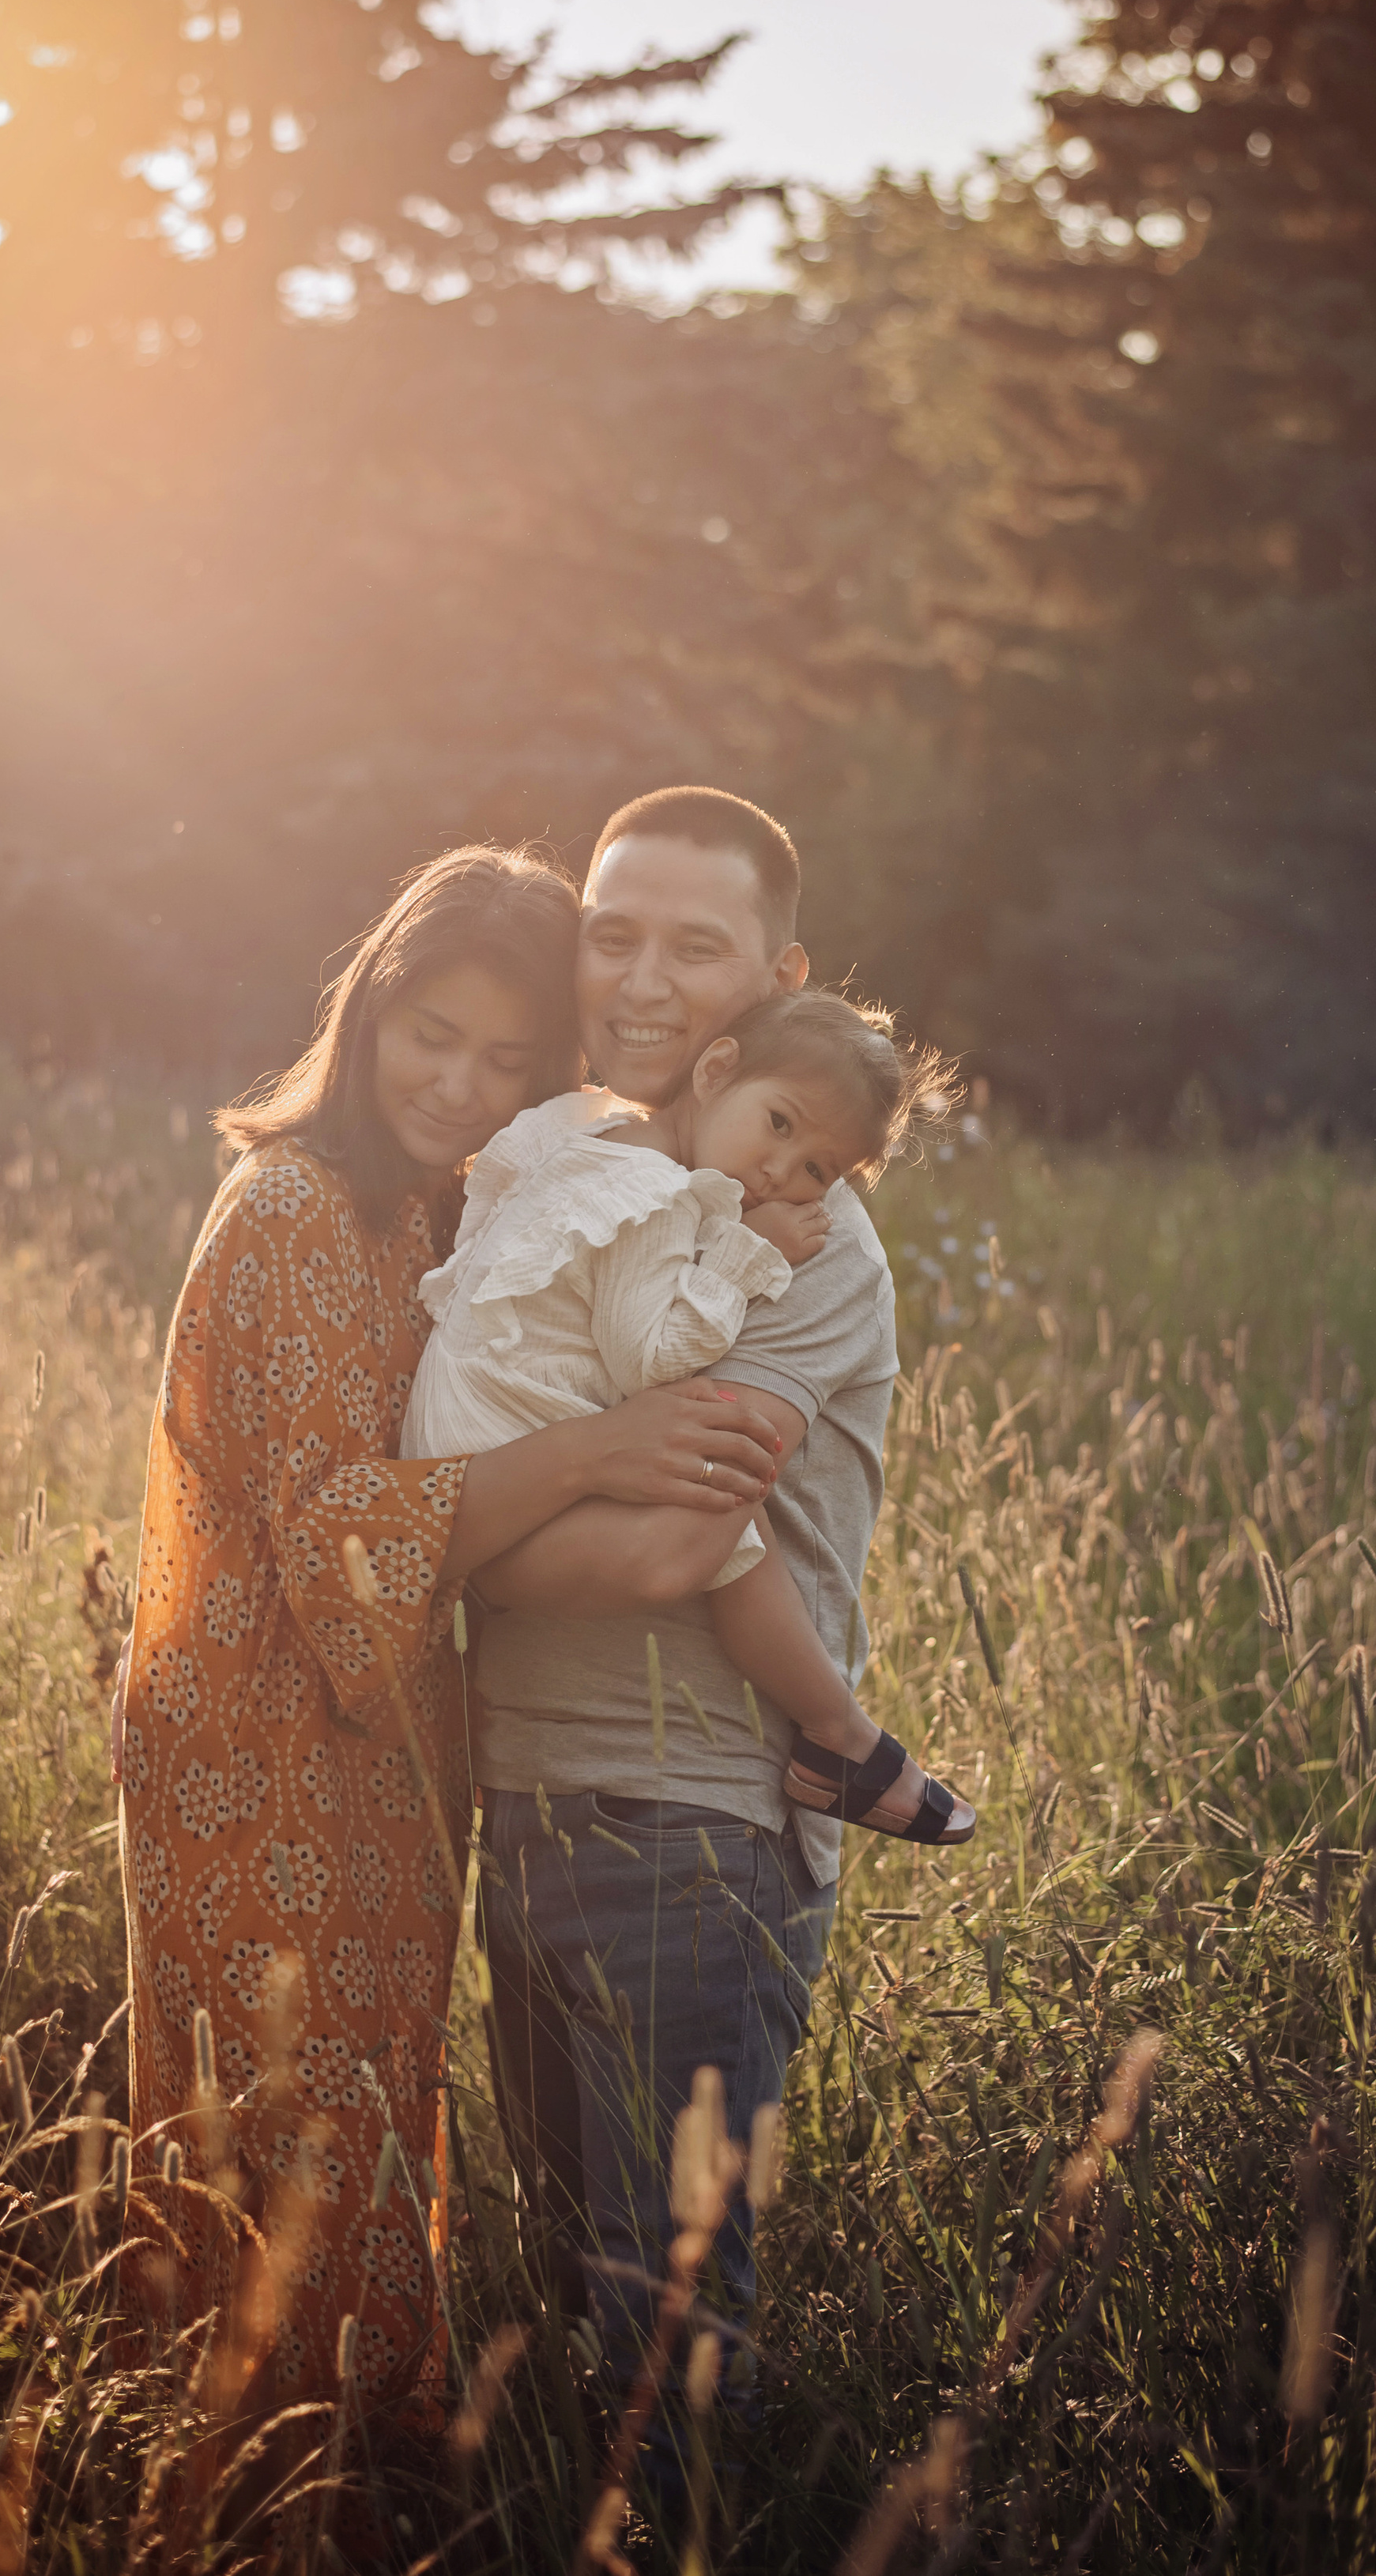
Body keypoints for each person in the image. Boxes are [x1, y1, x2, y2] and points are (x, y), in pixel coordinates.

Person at [113, 845, 786, 2461]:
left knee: (365, 2110)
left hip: (379, 1738)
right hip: (257, 1748)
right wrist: (598, 1452)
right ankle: (265, 2479)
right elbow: (339, 1536)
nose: (460, 1084)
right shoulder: (289, 1207)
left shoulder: (429, 1203)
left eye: (507, 1062)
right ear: (368, 1010)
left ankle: (354, 2464)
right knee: (277, 2128)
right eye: (431, 1035)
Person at [461, 788, 916, 2514]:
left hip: (693, 1830)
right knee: (567, 2293)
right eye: (610, 931)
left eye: (694, 945)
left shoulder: (794, 1240)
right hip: (526, 1796)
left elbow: (669, 1545)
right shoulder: (582, 1185)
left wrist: (438, 1516)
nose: (641, 980)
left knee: (661, 2336)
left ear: (771, 976)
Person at [405, 984, 973, 1842]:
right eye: (780, 1123)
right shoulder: (658, 1193)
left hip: (460, 1414)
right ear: (715, 1071)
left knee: (710, 1509)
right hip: (502, 1423)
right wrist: (748, 1256)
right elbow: (649, 1358)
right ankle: (840, 1737)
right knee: (726, 1517)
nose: (783, 1173)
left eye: (819, 1169)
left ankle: (843, 1738)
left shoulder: (590, 1130)